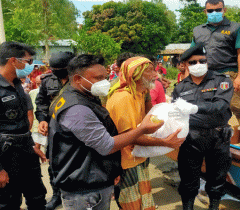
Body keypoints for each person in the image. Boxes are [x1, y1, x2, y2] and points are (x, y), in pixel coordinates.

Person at [48, 54, 168, 210]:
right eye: (98, 78)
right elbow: (107, 145)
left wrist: (111, 170)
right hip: (84, 188)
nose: (105, 83)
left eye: (105, 77)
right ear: (77, 79)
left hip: (91, 176)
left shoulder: (80, 96)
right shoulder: (77, 108)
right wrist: (143, 129)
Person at [0, 41, 46, 209]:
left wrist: (30, 146)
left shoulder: (17, 85)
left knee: (38, 198)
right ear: (13, 60)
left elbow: (18, 124)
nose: (31, 66)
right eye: (28, 61)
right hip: (4, 160)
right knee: (6, 204)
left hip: (25, 155)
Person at [106, 56, 184, 210]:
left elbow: (146, 121)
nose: (156, 74)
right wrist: (165, 143)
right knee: (132, 204)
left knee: (144, 201)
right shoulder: (123, 98)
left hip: (138, 157)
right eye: (149, 71)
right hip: (126, 162)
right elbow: (132, 138)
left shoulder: (139, 93)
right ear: (135, 75)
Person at [192, 0, 240, 153]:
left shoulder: (235, 28)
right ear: (205, 12)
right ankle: (211, 140)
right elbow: (192, 55)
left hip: (227, 75)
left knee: (238, 107)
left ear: (224, 10)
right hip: (205, 76)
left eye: (217, 10)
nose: (214, 13)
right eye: (210, 11)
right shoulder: (198, 31)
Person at [172, 43, 234, 210]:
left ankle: (214, 207)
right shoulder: (180, 88)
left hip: (218, 137)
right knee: (188, 179)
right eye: (193, 62)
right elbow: (175, 114)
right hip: (191, 139)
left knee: (217, 179)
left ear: (207, 61)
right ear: (185, 65)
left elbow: (221, 106)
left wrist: (195, 109)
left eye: (202, 61)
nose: (198, 65)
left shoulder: (222, 81)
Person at [35, 51, 74, 210]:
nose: (57, 72)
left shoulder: (81, 79)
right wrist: (42, 119)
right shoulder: (47, 81)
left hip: (76, 131)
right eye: (54, 69)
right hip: (54, 131)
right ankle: (57, 195)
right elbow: (41, 103)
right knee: (54, 165)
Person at [29, 75, 48, 163]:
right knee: (37, 144)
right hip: (37, 122)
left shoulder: (33, 92)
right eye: (38, 83)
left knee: (38, 143)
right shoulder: (32, 93)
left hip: (39, 121)